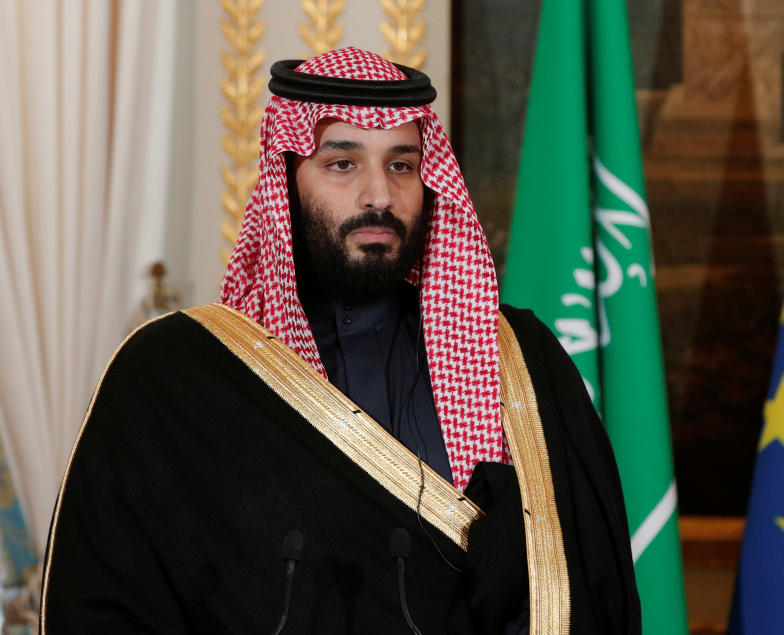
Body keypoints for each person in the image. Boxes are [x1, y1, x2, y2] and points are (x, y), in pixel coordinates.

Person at [40, 48, 642, 634]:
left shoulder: (520, 358)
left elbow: (595, 588)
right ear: (286, 181)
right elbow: (103, 603)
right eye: (342, 164)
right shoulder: (173, 375)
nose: (379, 194)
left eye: (402, 165)